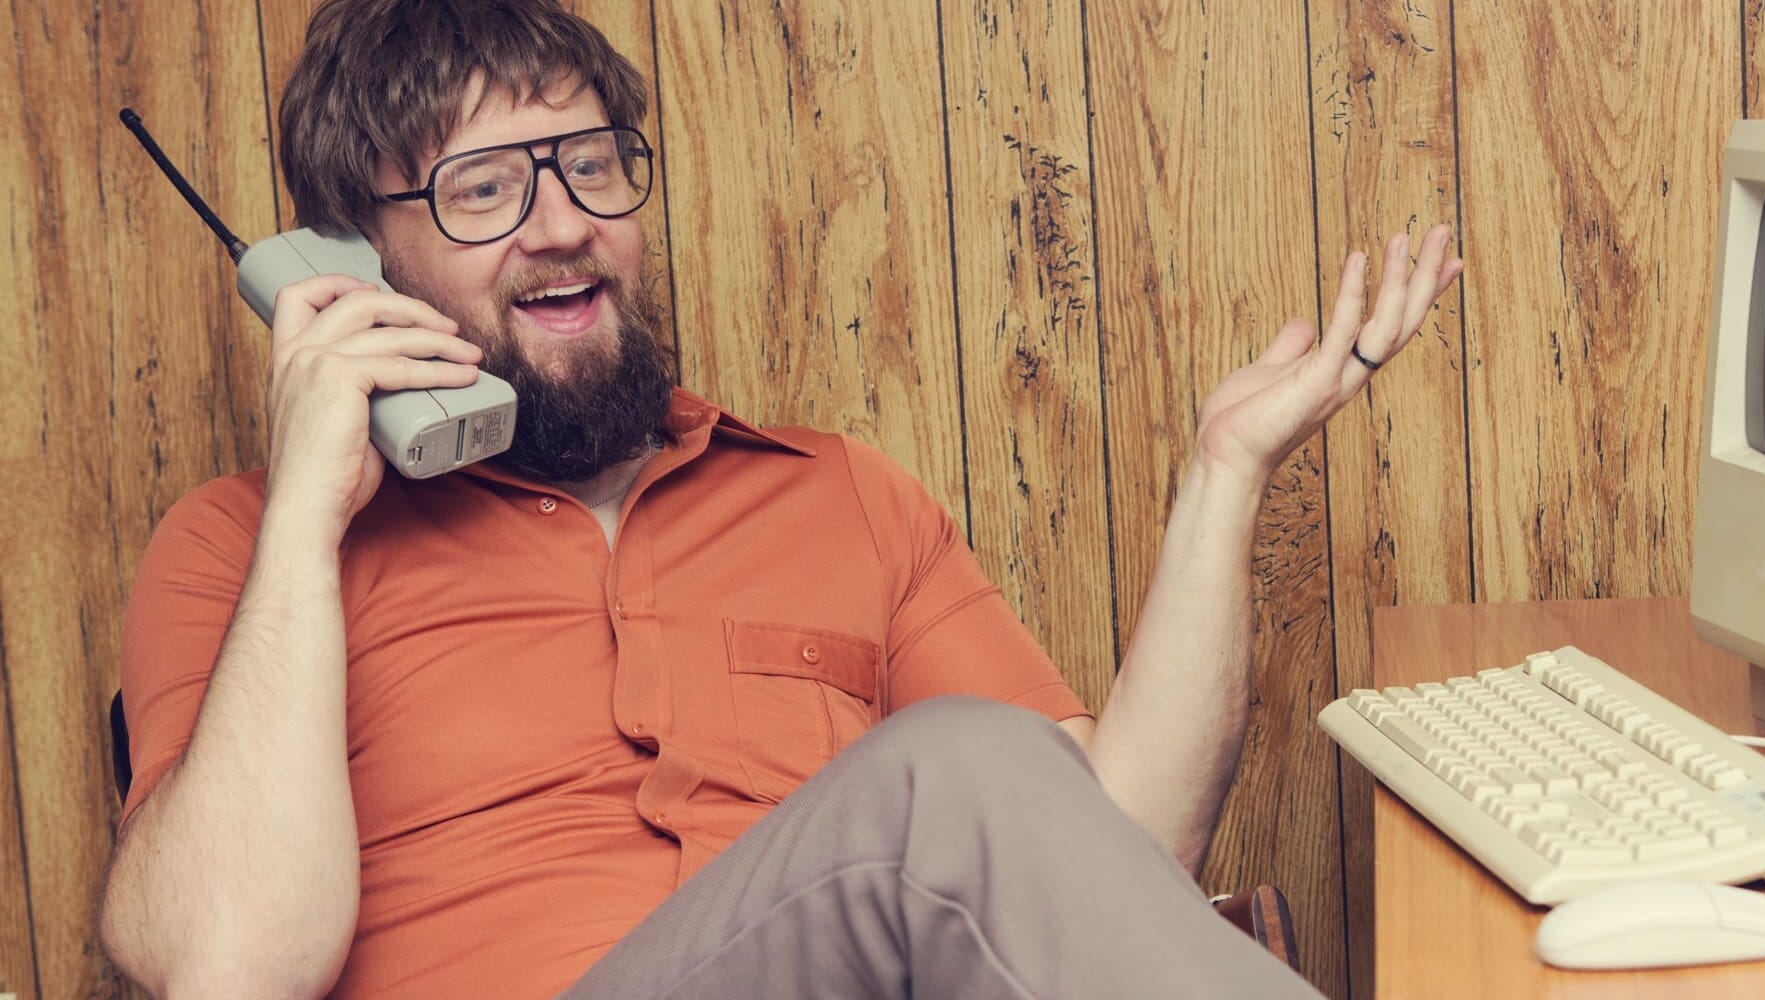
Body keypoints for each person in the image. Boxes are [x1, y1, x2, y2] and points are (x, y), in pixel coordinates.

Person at [95, 1, 1461, 996]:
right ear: (351, 254)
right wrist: (306, 526)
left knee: (982, 781)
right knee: (964, 769)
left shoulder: (837, 498)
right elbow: (227, 968)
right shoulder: (242, 552)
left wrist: (1226, 473)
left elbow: (1109, 875)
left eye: (590, 163)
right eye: (486, 189)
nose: (565, 221)